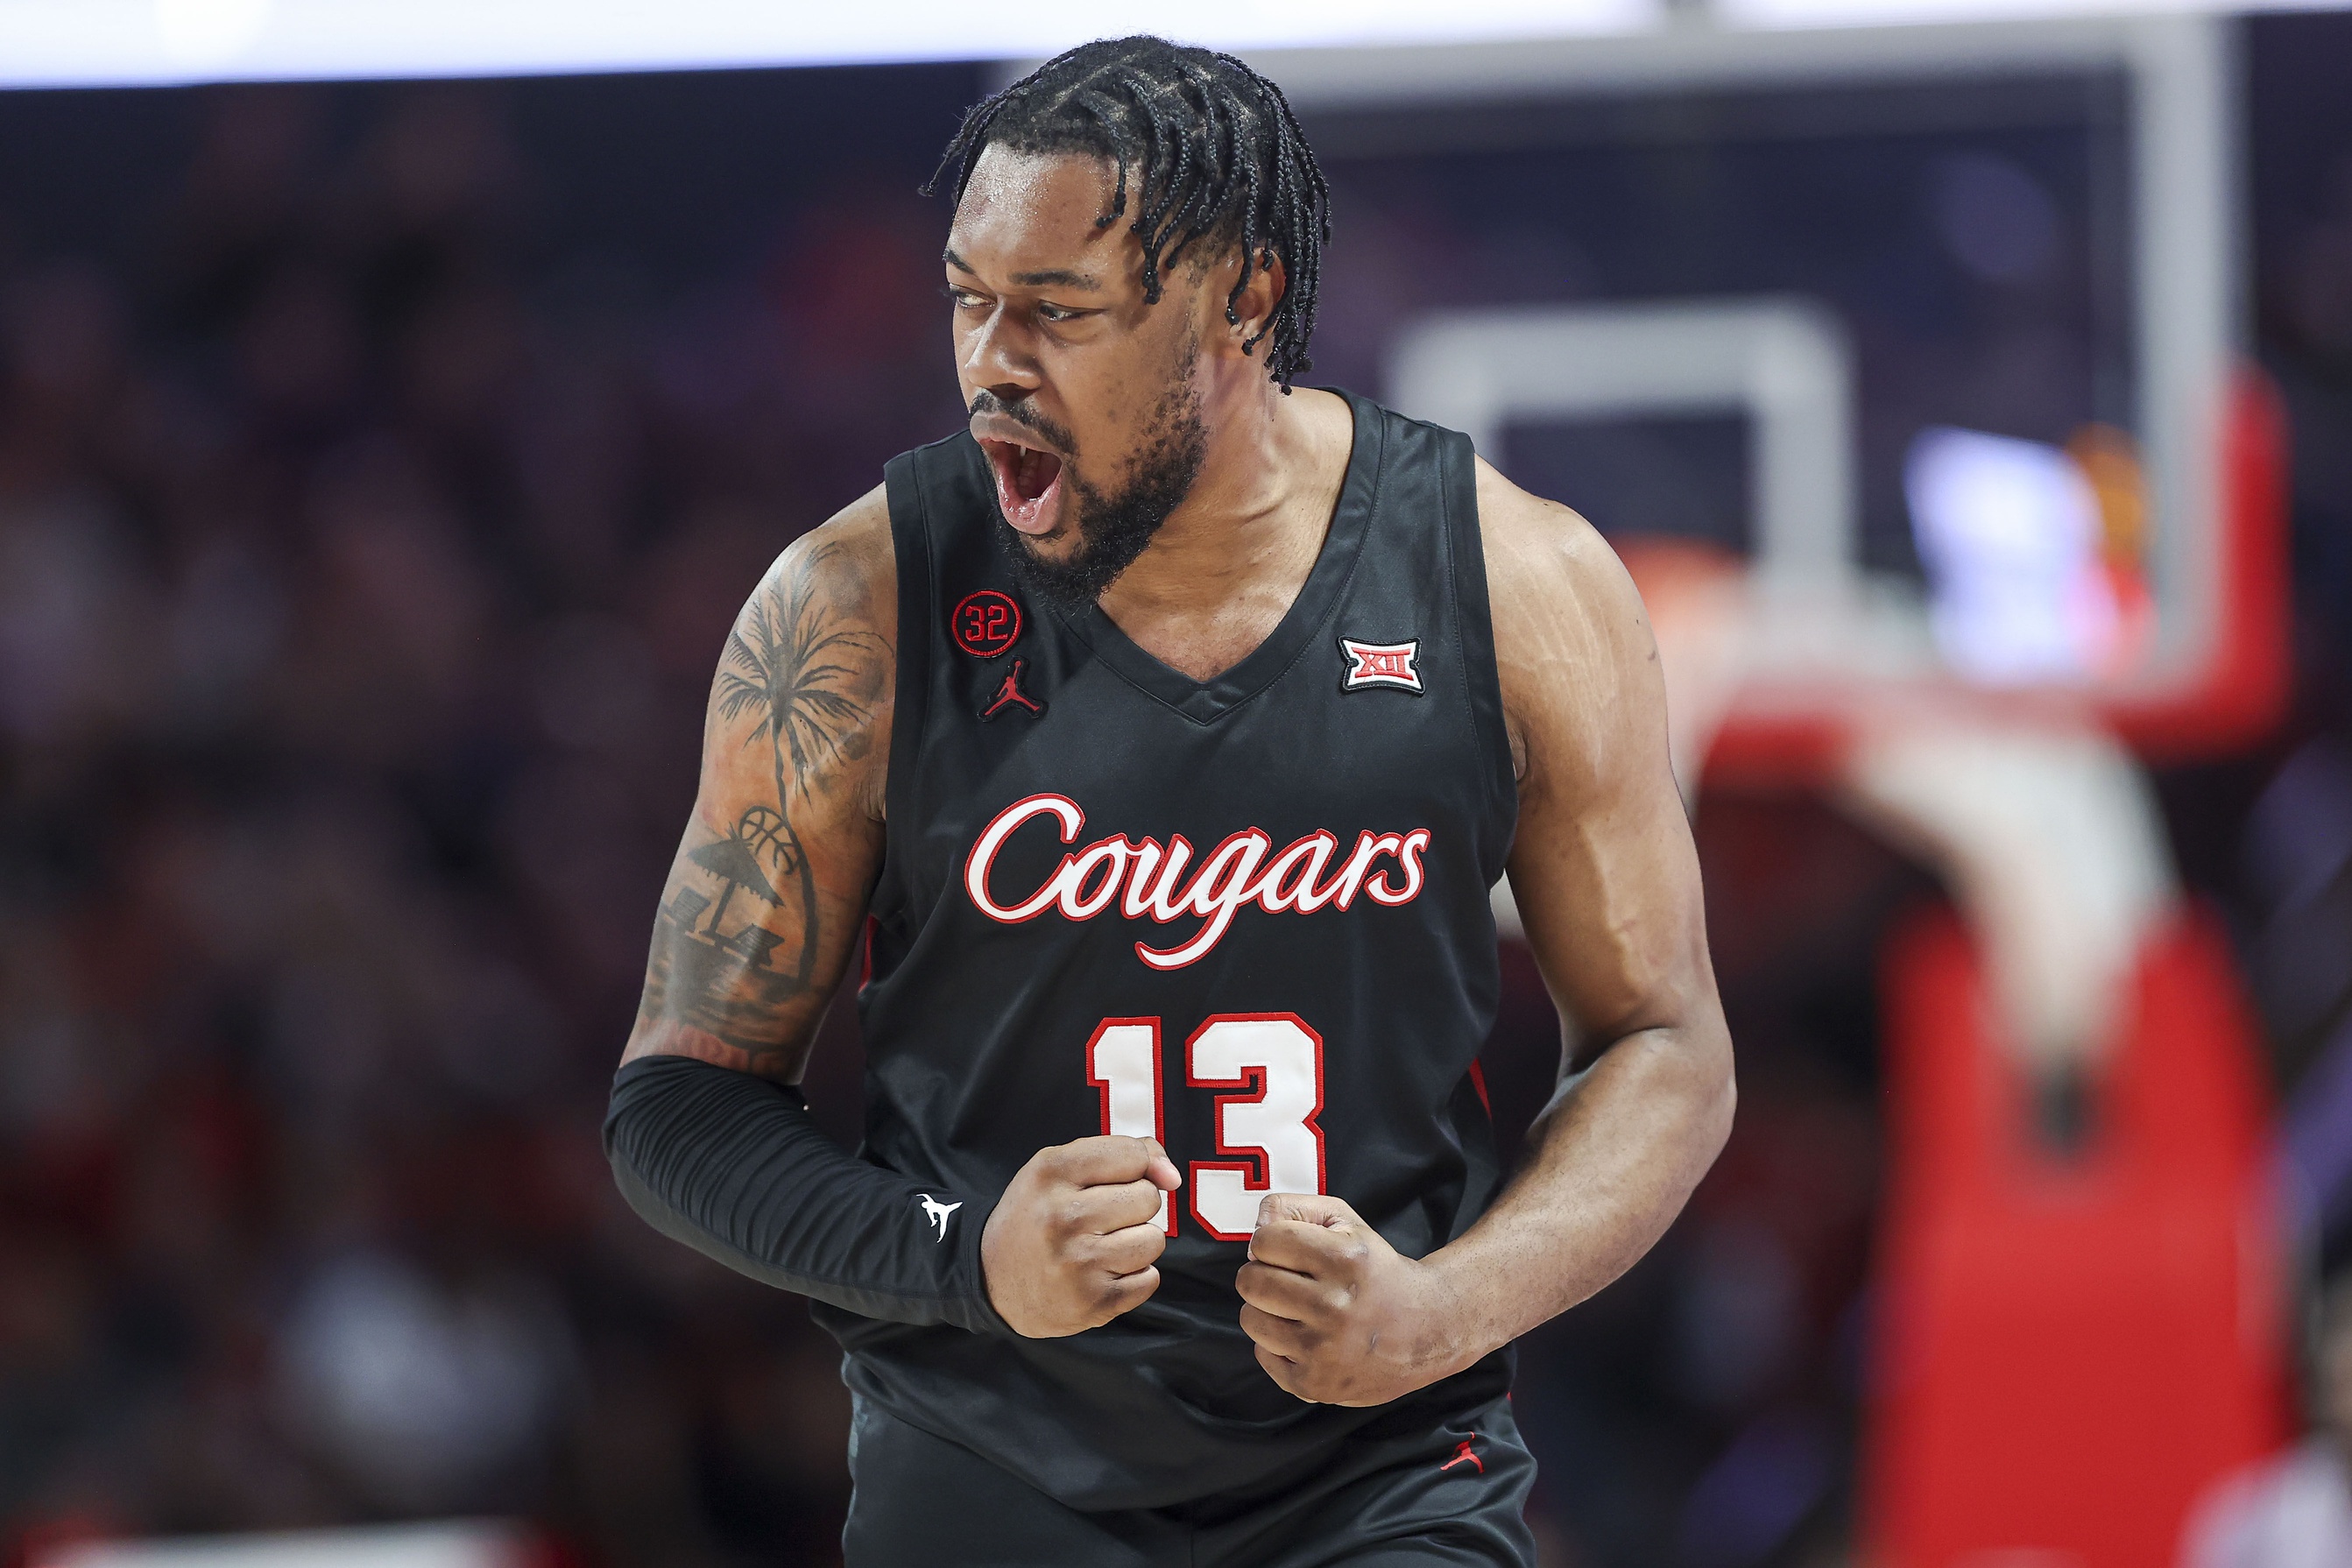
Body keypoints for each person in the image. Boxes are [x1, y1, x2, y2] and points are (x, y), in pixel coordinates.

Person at [604, 36, 1734, 1565]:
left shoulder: (1513, 579)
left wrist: (1445, 1305)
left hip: (1381, 1466)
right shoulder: (856, 604)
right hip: (992, 1459)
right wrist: (962, 1257)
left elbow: (1664, 1047)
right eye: (968, 297)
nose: (992, 357)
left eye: (1058, 310)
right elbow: (677, 1102)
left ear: (1242, 301)